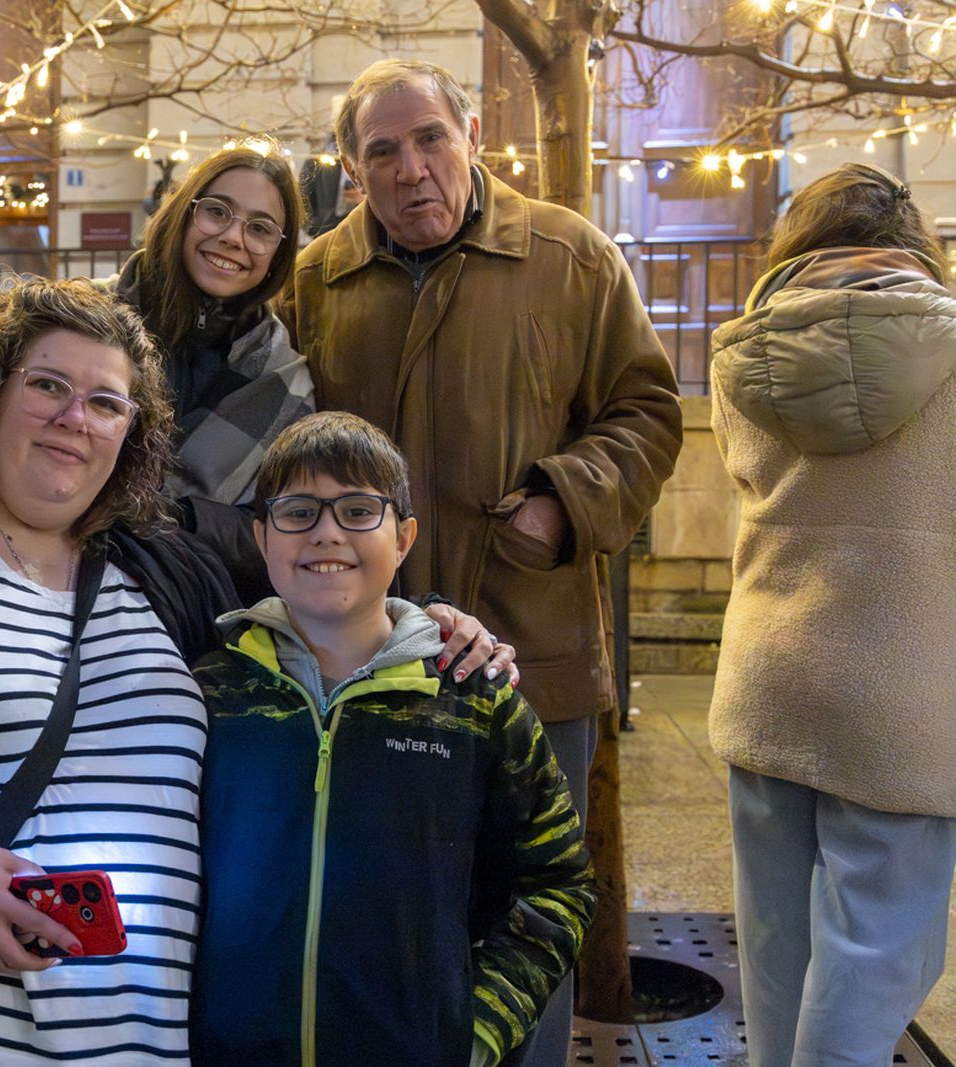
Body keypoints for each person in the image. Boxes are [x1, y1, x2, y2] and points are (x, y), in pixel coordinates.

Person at [0, 278, 514, 1065]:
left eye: (108, 402)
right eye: (47, 385)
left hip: (142, 1043)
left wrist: (429, 621)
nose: (77, 416)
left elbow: (328, 564)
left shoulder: (159, 557)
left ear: (133, 432)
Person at [280, 59, 683, 1062]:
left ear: (471, 137)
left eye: (429, 139)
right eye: (382, 151)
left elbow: (645, 409)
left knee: (526, 908)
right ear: (351, 168)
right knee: (386, 909)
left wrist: (563, 499)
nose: (410, 168)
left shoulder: (568, 254)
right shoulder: (315, 277)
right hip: (367, 654)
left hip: (529, 640)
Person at [190, 412, 594, 1066]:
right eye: (298, 511)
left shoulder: (475, 704)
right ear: (261, 536)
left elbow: (557, 883)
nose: (326, 531)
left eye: (357, 509)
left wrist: (476, 1029)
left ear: (403, 537)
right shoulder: (211, 697)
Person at [707, 163, 956, 1066]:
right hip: (905, 697)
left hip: (767, 679)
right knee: (876, 954)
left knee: (775, 948)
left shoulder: (741, 360)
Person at [110, 145, 314, 598]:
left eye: (260, 228)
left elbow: (284, 529)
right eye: (218, 212)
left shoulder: (285, 382)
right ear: (184, 212)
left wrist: (186, 517)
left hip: (189, 616)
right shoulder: (85, 321)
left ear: (278, 254)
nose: (233, 237)